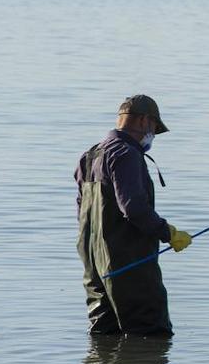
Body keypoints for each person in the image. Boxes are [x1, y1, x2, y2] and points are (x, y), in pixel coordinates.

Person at [75, 95, 192, 336]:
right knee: (150, 335)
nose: (152, 136)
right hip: (129, 265)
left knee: (104, 336)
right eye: (154, 129)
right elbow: (133, 208)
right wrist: (167, 232)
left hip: (95, 268)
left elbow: (81, 211)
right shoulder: (126, 153)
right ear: (143, 121)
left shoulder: (90, 155)